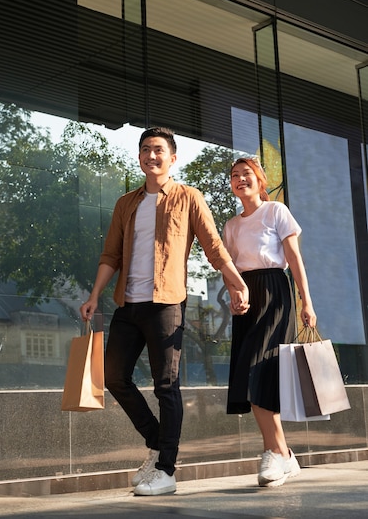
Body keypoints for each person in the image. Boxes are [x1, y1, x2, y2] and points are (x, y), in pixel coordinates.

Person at [80, 127, 249, 496]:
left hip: (166, 303)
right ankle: (159, 445)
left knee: (166, 385)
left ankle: (166, 470)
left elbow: (213, 245)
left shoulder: (189, 197)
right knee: (113, 376)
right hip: (128, 303)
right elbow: (111, 254)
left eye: (158, 150)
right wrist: (95, 294)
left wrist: (235, 281)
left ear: (172, 158)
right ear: (140, 158)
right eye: (145, 150)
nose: (150, 156)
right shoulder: (126, 203)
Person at [222, 156, 317, 488]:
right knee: (252, 375)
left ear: (259, 179)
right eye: (234, 175)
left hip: (276, 293)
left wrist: (307, 300)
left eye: (246, 173)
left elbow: (293, 258)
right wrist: (234, 292)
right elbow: (229, 267)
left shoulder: (276, 211)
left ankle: (277, 454)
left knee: (260, 369)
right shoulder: (231, 226)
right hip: (248, 298)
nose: (240, 179)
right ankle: (281, 454)